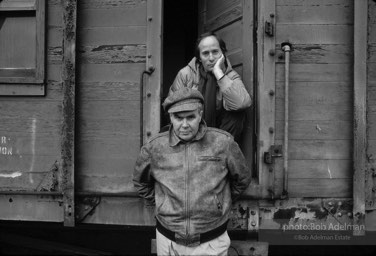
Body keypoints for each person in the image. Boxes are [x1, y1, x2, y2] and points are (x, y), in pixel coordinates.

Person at [133, 87, 252, 256]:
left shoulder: (223, 143)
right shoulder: (154, 148)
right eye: (178, 118)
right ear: (170, 117)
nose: (185, 125)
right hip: (168, 241)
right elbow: (141, 182)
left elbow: (242, 178)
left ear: (200, 114)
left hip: (212, 241)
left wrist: (217, 202)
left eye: (191, 117)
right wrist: (163, 202)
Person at [168, 31, 252, 143]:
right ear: (199, 58)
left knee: (237, 114)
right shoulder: (186, 74)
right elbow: (172, 107)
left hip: (221, 134)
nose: (211, 58)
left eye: (215, 52)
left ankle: (221, 151)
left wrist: (218, 73)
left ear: (223, 54)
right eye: (205, 53)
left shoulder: (230, 76)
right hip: (190, 129)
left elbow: (241, 104)